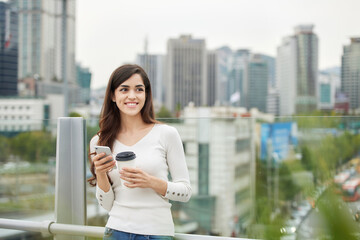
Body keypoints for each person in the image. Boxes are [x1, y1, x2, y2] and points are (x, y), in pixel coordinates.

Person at [88, 64, 192, 240]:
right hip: (116, 232)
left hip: (157, 233)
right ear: (113, 95)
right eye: (124, 89)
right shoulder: (99, 141)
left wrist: (151, 182)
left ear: (146, 94)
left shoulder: (166, 134)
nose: (132, 96)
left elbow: (185, 192)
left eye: (139, 89)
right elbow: (106, 204)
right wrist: (100, 173)